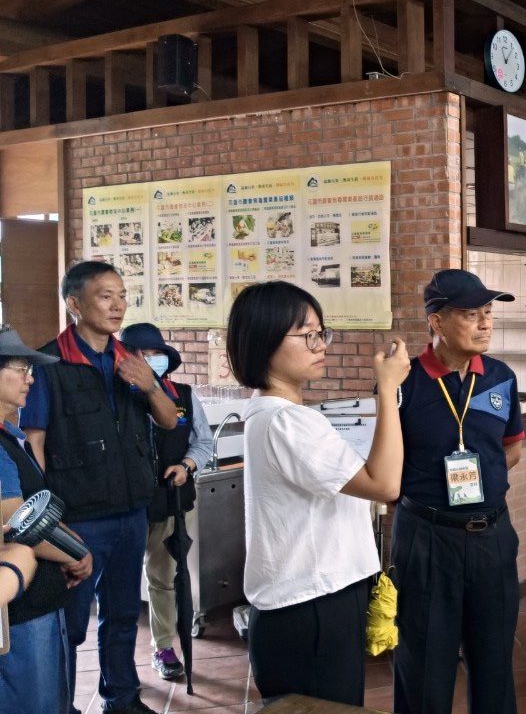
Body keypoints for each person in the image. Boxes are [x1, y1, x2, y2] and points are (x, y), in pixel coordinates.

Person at [227, 281, 410, 706]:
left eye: (321, 332)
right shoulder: (288, 422)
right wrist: (386, 390)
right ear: (265, 341)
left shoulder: (272, 415)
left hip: (311, 601)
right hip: (310, 607)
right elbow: (385, 484)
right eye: (307, 334)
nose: (320, 344)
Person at [21, 260, 178, 714]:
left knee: (124, 615)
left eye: (123, 295)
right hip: (78, 520)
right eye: (106, 296)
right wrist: (53, 525)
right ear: (74, 303)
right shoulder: (48, 365)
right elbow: (36, 445)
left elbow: (169, 420)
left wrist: (150, 385)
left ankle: (122, 699)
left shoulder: (131, 360)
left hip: (131, 513)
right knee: (70, 624)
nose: (118, 305)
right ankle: (62, 705)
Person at [392, 269, 526, 714]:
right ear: (437, 322)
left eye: (488, 313)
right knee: (426, 667)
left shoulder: (501, 377)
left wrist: (478, 485)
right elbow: (386, 464)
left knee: (494, 664)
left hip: (491, 537)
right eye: (472, 314)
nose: (486, 324)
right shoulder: (404, 383)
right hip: (427, 538)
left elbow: (512, 448)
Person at [0, 325, 93, 713]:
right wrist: (73, 554)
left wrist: (72, 544)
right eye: (21, 369)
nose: (30, 378)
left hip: (37, 596)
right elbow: (16, 524)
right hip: (23, 608)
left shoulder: (10, 435)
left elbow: (33, 512)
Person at [120, 323, 215, 682]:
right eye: (142, 354)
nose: (151, 360)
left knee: (163, 577)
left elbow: (203, 442)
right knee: (121, 583)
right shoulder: (118, 400)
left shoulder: (184, 395)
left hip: (173, 500)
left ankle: (163, 646)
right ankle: (119, 660)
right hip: (125, 505)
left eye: (156, 354)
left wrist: (187, 465)